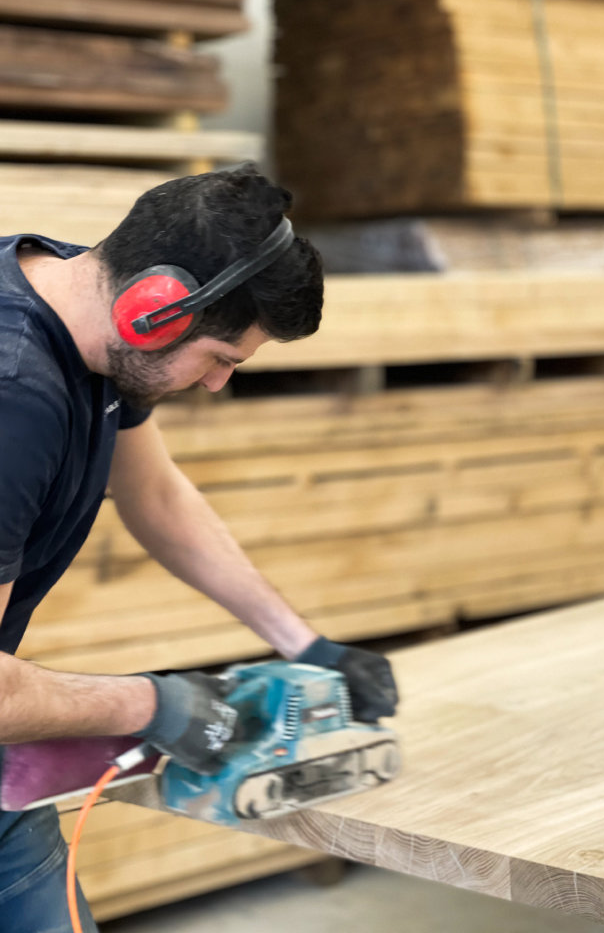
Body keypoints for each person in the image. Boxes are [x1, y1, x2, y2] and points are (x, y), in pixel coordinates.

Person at [0, 164, 399, 932]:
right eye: (222, 358)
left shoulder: (79, 301)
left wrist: (304, 643)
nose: (218, 384)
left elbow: (154, 495)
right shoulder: (14, 400)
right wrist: (155, 702)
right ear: (153, 312)